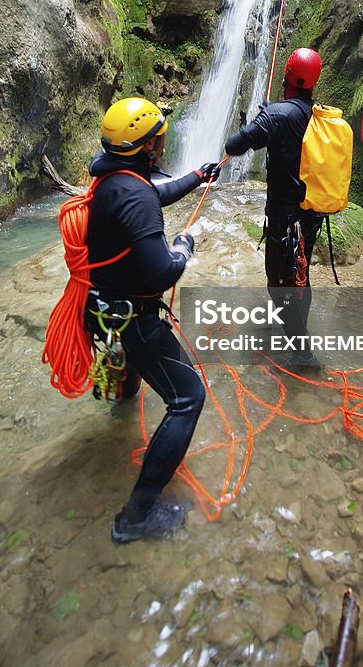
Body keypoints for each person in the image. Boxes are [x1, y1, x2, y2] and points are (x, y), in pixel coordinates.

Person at [85, 96, 220, 542]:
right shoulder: (133, 195)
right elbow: (163, 270)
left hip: (103, 312)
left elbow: (153, 193)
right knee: (188, 397)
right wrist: (183, 248)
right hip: (135, 321)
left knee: (129, 387)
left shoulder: (112, 177)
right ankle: (135, 519)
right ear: (146, 146)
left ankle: (114, 431)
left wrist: (197, 177)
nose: (162, 143)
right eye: (158, 138)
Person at [224, 48, 324, 369]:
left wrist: (265, 117)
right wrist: (272, 114)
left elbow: (235, 145)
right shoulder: (317, 114)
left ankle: (302, 352)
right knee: (301, 274)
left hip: (285, 217)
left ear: (287, 78)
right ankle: (299, 331)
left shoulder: (277, 115)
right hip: (311, 214)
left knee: (277, 282)